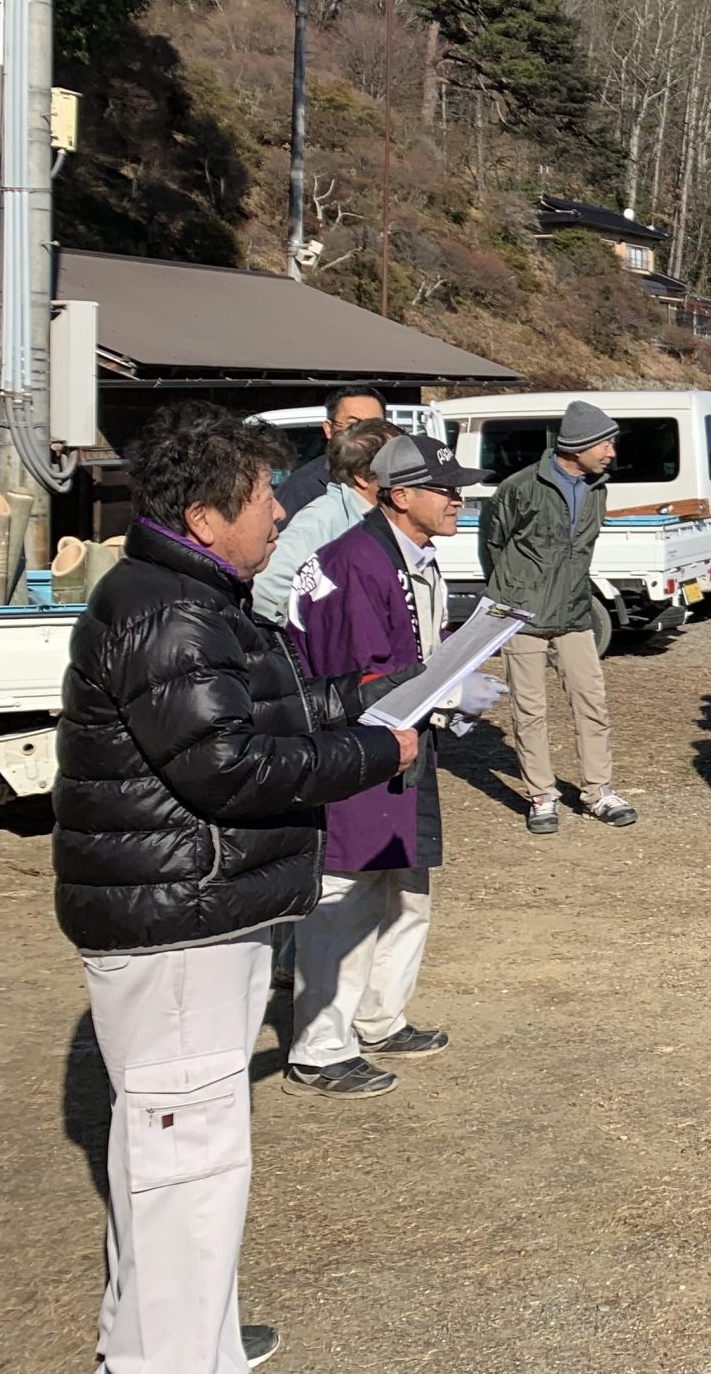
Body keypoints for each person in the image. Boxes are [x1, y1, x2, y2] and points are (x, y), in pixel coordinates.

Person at [54, 402, 416, 1374]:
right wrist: (374, 752)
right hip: (179, 923)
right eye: (262, 497)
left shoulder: (190, 597)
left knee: (173, 1156)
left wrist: (361, 698)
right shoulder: (170, 611)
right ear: (205, 517)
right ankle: (171, 1358)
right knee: (186, 1163)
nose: (278, 513)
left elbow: (253, 712)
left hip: (192, 912)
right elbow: (229, 765)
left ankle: (178, 1338)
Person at [282, 434, 501, 1097]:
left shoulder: (415, 557)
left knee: (407, 888)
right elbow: (362, 679)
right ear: (400, 495)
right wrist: (449, 693)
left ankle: (379, 1016)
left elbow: (417, 653)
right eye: (445, 489)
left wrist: (450, 687)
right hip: (355, 747)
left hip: (405, 739)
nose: (458, 500)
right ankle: (320, 1047)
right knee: (345, 896)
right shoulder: (357, 565)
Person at [482, 399, 633, 833]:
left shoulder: (598, 488)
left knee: (592, 702)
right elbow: (493, 543)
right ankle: (541, 795)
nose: (612, 453)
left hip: (575, 612)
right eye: (605, 444)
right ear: (578, 446)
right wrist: (513, 592)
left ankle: (598, 792)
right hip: (522, 615)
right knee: (529, 709)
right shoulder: (519, 487)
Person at [252, 415, 397, 623]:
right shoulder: (321, 520)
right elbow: (265, 588)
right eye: (397, 465)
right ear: (362, 476)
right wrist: (300, 636)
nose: (409, 474)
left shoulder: (374, 517)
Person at [276, 384, 388, 520]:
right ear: (328, 429)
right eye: (353, 424)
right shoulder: (302, 487)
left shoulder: (401, 475)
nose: (366, 433)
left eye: (375, 425)